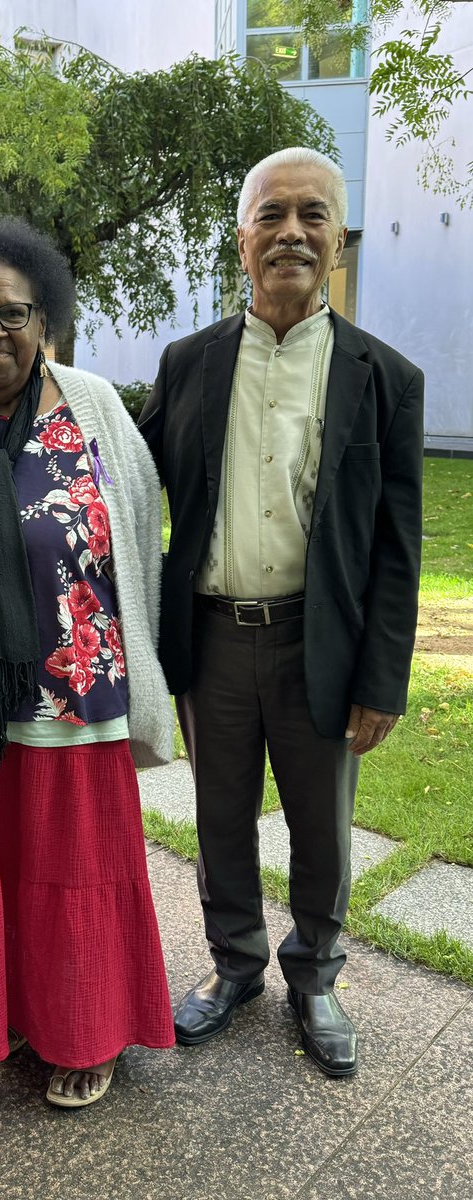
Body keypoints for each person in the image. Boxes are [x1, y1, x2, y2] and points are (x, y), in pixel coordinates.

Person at [138, 147, 423, 1077]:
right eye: (272, 215)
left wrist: (382, 677)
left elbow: (397, 545)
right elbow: (128, 490)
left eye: (312, 215)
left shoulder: (387, 377)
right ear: (242, 237)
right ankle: (234, 969)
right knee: (219, 819)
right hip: (213, 640)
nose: (291, 232)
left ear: (337, 240)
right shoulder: (187, 365)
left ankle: (316, 975)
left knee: (322, 828)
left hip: (323, 643)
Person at [0, 214, 175, 1108]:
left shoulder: (93, 407)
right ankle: (2, 1013)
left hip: (71, 703)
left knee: (70, 873)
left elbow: (137, 538)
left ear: (45, 319)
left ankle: (84, 1035)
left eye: (12, 313)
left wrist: (147, 673)